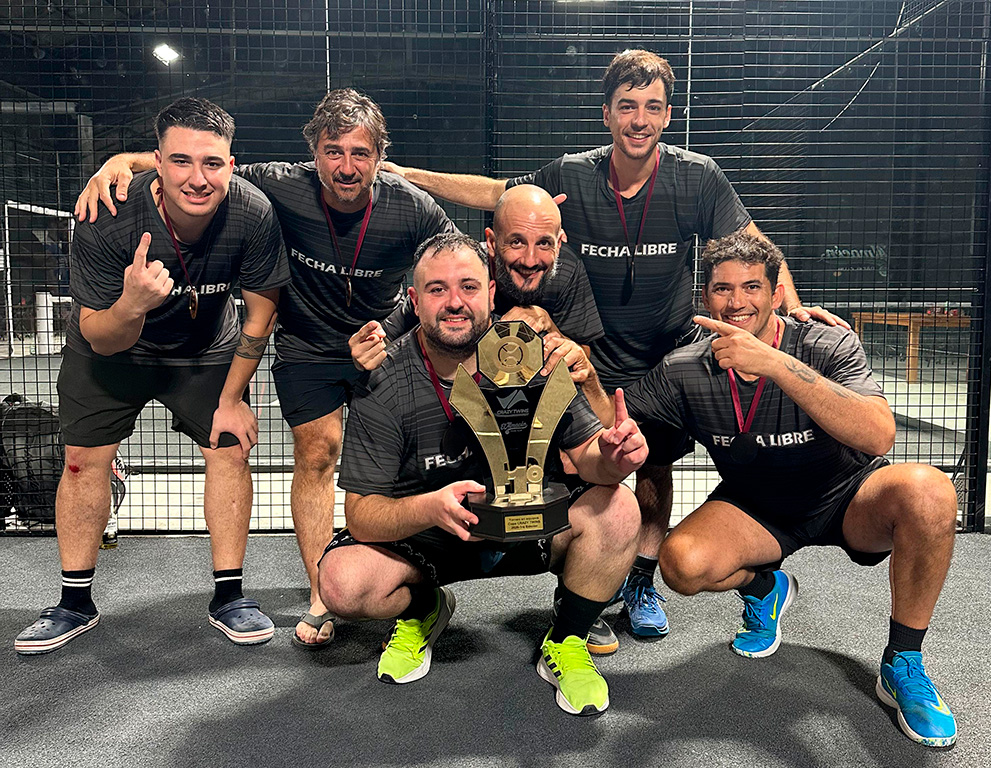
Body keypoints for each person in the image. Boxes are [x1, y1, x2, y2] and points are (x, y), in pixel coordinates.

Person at [382, 48, 845, 642]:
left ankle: (641, 582)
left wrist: (794, 312)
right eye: (627, 106)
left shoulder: (697, 176)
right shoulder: (573, 174)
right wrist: (408, 175)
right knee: (586, 470)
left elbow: (753, 247)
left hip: (665, 354)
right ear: (607, 113)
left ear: (668, 114)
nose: (639, 119)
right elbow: (497, 192)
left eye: (652, 107)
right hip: (589, 350)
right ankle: (584, 589)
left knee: (652, 466)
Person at [73, 89, 456, 648]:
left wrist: (396, 327)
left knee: (403, 463)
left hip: (385, 345)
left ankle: (412, 584)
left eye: (360, 153)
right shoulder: (278, 184)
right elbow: (205, 167)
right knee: (318, 451)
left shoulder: (412, 206)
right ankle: (323, 593)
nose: (346, 167)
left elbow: (453, 267)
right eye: (332, 151)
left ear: (380, 156)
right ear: (313, 153)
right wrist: (119, 162)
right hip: (306, 347)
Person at [624, 232, 958, 747]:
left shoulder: (827, 342)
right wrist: (582, 378)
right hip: (758, 506)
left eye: (751, 287)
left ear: (777, 293)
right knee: (681, 564)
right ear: (705, 298)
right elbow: (616, 420)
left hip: (848, 496)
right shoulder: (686, 366)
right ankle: (765, 587)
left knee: (929, 492)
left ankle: (903, 661)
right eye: (722, 289)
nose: (736, 302)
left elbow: (878, 434)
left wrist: (775, 363)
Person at [319, 232, 647, 716]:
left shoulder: (535, 356)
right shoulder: (384, 377)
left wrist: (616, 457)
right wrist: (430, 507)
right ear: (414, 301)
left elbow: (588, 459)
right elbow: (361, 516)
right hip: (432, 537)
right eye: (437, 289)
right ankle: (424, 610)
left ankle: (567, 640)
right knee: (341, 582)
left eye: (469, 287)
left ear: (492, 293)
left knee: (619, 508)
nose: (455, 302)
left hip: (527, 525)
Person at [15, 97, 290, 654]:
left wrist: (232, 399)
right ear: (157, 163)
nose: (197, 178)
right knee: (81, 460)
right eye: (181, 161)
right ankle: (74, 602)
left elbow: (261, 315)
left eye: (211, 163)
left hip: (204, 350)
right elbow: (100, 336)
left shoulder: (253, 212)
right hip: (112, 350)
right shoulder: (106, 215)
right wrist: (133, 304)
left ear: (231, 165)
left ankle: (230, 596)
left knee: (230, 447)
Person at [349, 184, 620, 655]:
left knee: (607, 494)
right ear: (492, 245)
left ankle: (575, 613)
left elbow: (582, 377)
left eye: (543, 244)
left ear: (560, 244)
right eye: (516, 242)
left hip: (523, 484)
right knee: (344, 582)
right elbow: (394, 335)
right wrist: (365, 353)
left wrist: (604, 433)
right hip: (439, 506)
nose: (530, 258)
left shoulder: (564, 285)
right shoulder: (450, 274)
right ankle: (425, 605)